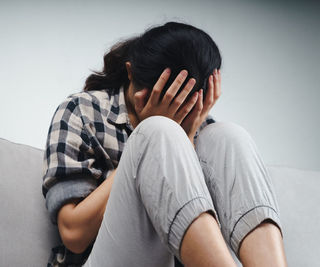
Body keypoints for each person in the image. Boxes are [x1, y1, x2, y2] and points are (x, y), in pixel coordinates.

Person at [42, 21, 287, 267]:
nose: (176, 113)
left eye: (183, 105)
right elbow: (74, 235)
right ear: (130, 73)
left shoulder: (203, 130)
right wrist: (146, 140)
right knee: (158, 131)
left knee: (229, 136)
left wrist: (186, 140)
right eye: (157, 98)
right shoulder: (84, 112)